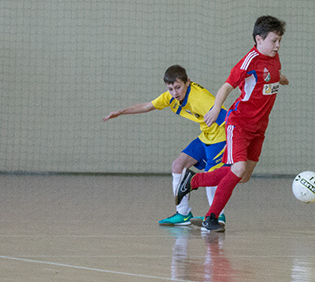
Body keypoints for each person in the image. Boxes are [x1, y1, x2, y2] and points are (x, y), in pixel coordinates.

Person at [175, 16, 288, 232]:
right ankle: (211, 218)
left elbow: (268, 77)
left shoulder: (275, 58)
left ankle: (192, 181)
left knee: (242, 176)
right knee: (237, 168)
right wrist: (217, 107)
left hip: (260, 128)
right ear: (259, 39)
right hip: (239, 123)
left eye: (280, 41)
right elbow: (227, 86)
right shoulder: (249, 61)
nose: (278, 45)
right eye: (274, 41)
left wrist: (280, 78)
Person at [103, 65, 228, 226]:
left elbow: (228, 119)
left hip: (220, 137)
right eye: (171, 88)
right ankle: (183, 214)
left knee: (211, 174)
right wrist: (121, 111)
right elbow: (148, 106)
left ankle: (216, 216)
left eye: (178, 87)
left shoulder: (200, 99)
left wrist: (240, 145)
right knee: (178, 166)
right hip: (206, 136)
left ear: (187, 82)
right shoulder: (170, 98)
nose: (175, 92)